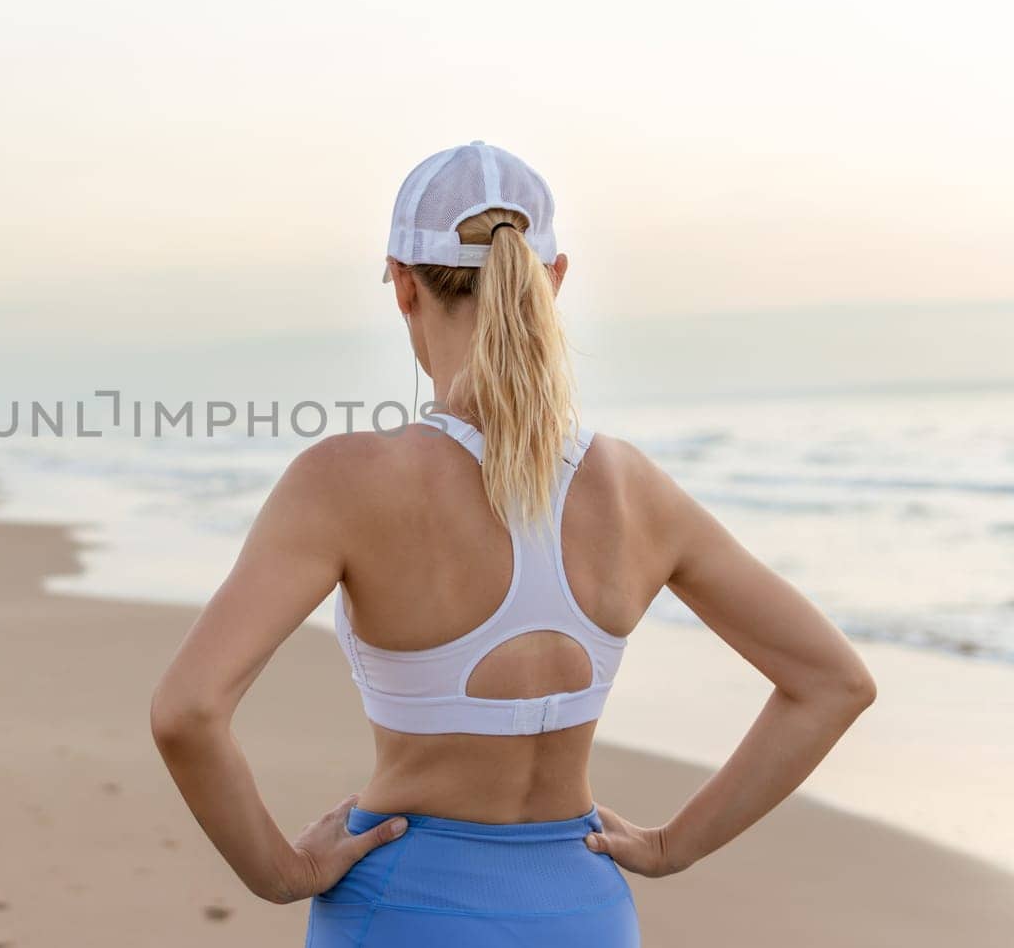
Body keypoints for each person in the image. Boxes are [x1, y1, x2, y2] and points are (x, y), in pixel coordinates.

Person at [149, 141, 878, 946]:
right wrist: (674, 846)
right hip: (586, 911)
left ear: (402, 283)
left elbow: (187, 711)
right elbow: (832, 682)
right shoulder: (635, 489)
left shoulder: (345, 482)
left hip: (406, 907)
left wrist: (280, 873)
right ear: (553, 279)